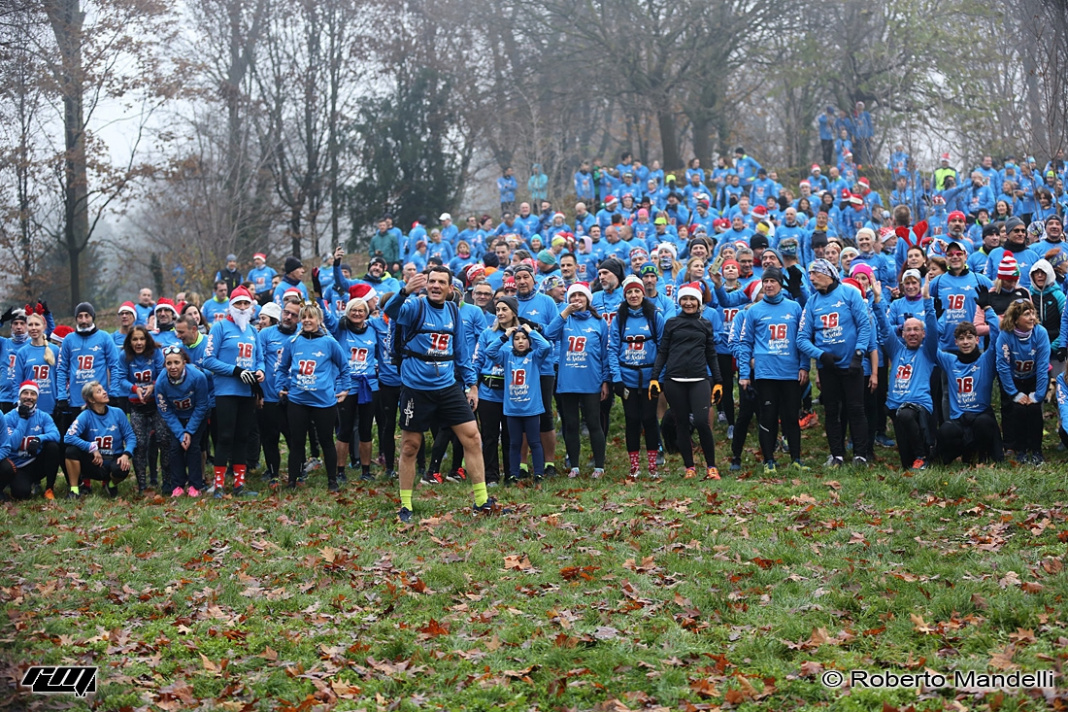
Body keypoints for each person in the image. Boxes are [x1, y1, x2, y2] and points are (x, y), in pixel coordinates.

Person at [384, 268, 498, 522]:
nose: (436, 285)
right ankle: (406, 505)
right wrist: (404, 291)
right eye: (432, 281)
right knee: (410, 446)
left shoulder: (454, 311)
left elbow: (461, 352)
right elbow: (391, 311)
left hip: (447, 387)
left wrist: (472, 384)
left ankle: (482, 501)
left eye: (441, 282)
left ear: (450, 288)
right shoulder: (415, 306)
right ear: (425, 285)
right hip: (416, 388)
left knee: (472, 437)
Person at [797, 259, 872, 467]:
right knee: (832, 411)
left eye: (815, 274)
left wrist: (858, 354)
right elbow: (801, 339)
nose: (811, 279)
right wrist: (821, 356)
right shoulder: (812, 302)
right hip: (828, 366)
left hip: (852, 365)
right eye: (809, 275)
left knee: (856, 409)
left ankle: (860, 454)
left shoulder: (850, 293)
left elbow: (864, 326)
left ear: (828, 274)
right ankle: (836, 455)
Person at [649, 282, 724, 480]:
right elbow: (663, 352)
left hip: (700, 379)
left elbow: (711, 354)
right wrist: (655, 378)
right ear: (679, 301)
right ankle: (689, 467)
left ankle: (711, 467)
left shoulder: (705, 324)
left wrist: (718, 381)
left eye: (692, 299)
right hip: (674, 380)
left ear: (698, 302)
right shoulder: (671, 323)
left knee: (701, 422)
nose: (689, 303)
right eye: (685, 299)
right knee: (681, 423)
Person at [736, 268, 808, 472]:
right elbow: (745, 343)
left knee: (791, 417)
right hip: (765, 373)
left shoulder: (794, 308)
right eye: (765, 281)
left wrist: (804, 366)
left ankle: (796, 458)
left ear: (779, 284)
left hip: (790, 371)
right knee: (767, 416)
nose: (768, 285)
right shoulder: (754, 310)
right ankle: (769, 460)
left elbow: (801, 339)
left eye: (772, 281)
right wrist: (743, 374)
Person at [276, 301, 350, 491]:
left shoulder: (329, 342)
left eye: (311, 317)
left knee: (326, 441)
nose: (307, 320)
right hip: (298, 400)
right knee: (297, 441)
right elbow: (282, 368)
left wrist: (345, 388)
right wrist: (281, 386)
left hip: (324, 401)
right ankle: (292, 480)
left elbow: (344, 367)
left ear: (319, 319)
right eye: (304, 317)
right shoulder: (292, 342)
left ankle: (332, 481)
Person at [202, 286, 265, 498]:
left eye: (246, 303)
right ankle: (218, 485)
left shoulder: (253, 330)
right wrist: (235, 371)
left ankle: (239, 485)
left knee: (242, 436)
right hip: (226, 391)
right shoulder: (219, 328)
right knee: (225, 436)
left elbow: (260, 359)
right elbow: (208, 360)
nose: (242, 307)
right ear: (231, 306)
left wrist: (260, 372)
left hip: (247, 392)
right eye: (238, 303)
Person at [56, 302, 122, 494]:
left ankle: (105, 476)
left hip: (98, 399)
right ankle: (83, 482)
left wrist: (114, 391)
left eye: (87, 316)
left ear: (93, 317)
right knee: (80, 439)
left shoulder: (104, 338)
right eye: (80, 316)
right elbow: (62, 369)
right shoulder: (69, 340)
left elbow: (115, 366)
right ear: (75, 318)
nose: (84, 320)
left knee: (100, 436)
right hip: (77, 400)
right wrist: (62, 395)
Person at [546, 282, 610, 479]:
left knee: (593, 423)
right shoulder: (564, 320)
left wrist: (605, 380)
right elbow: (548, 334)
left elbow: (604, 354)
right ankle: (574, 465)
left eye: (581, 296)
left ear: (588, 299)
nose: (577, 300)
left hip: (591, 380)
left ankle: (599, 466)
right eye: (573, 296)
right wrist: (564, 313)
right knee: (571, 424)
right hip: (568, 381)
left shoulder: (599, 322)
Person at [609, 275, 665, 480]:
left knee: (650, 419)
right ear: (625, 295)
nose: (633, 295)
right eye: (629, 292)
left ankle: (652, 466)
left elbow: (662, 348)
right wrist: (616, 378)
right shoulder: (620, 318)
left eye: (637, 291)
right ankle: (634, 466)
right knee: (632, 420)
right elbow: (613, 349)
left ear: (643, 293)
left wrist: (659, 377)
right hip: (627, 377)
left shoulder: (653, 316)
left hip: (650, 377)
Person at [485, 321, 552, 483]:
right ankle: (513, 474)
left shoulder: (534, 357)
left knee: (534, 442)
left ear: (529, 341)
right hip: (512, 409)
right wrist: (505, 335)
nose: (520, 341)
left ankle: (538, 474)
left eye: (524, 338)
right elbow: (489, 351)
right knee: (514, 443)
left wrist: (532, 331)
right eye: (517, 339)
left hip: (531, 409)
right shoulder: (506, 356)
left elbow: (546, 346)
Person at [330, 297, 384, 484]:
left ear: (366, 313)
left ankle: (366, 469)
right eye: (354, 310)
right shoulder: (341, 328)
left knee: (366, 428)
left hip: (369, 384)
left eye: (361, 310)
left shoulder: (372, 330)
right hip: (347, 384)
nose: (357, 313)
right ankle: (340, 471)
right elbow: (327, 319)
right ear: (348, 311)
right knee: (344, 429)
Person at [936, 320, 1002, 465]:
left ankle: (982, 456)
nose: (965, 342)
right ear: (956, 342)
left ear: (977, 340)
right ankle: (962, 454)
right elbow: (930, 346)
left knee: (983, 423)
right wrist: (930, 308)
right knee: (945, 430)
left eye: (969, 337)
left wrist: (988, 308)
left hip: (981, 415)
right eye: (961, 339)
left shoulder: (986, 359)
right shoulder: (949, 360)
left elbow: (997, 334)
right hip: (959, 418)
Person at [995, 298, 1050, 465]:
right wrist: (1014, 393)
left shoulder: (1040, 333)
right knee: (1017, 410)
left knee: (1034, 410)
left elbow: (1042, 366)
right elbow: (1002, 366)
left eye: (1033, 313)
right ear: (1015, 319)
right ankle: (1021, 450)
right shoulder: (1005, 336)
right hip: (1014, 379)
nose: (1032, 317)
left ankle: (1036, 450)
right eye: (1027, 314)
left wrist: (1038, 394)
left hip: (1034, 378)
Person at [63, 381, 136, 499]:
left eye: (103, 389)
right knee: (71, 451)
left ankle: (111, 484)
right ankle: (74, 490)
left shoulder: (118, 413)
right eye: (99, 391)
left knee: (122, 468)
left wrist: (126, 454)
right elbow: (68, 437)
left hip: (113, 458)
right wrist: (91, 447)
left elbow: (130, 436)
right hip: (94, 462)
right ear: (91, 400)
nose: (104, 392)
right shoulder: (85, 415)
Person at [155, 345, 211, 497]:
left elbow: (201, 405)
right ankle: (177, 485)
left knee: (193, 446)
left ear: (184, 362)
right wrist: (180, 433)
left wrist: (189, 431)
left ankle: (195, 485)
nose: (173, 367)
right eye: (169, 363)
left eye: (176, 363)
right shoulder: (161, 383)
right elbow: (165, 411)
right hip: (176, 417)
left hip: (196, 414)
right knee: (175, 448)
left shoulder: (198, 377)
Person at [119, 326, 168, 493]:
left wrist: (153, 386)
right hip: (136, 405)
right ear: (129, 341)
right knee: (140, 444)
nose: (138, 342)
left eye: (142, 339)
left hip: (156, 404)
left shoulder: (155, 353)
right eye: (134, 339)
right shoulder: (124, 356)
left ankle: (166, 482)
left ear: (147, 340)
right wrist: (135, 388)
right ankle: (142, 484)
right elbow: (120, 378)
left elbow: (162, 373)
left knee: (163, 439)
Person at [0, 381, 61, 501]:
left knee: (53, 447)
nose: (29, 397)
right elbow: (12, 444)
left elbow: (56, 435)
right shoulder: (9, 417)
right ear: (19, 396)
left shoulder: (43, 416)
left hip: (36, 462)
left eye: (33, 394)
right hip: (18, 465)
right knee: (21, 494)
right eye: (25, 393)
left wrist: (39, 438)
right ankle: (18, 483)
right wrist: (23, 419)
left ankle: (49, 488)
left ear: (37, 397)